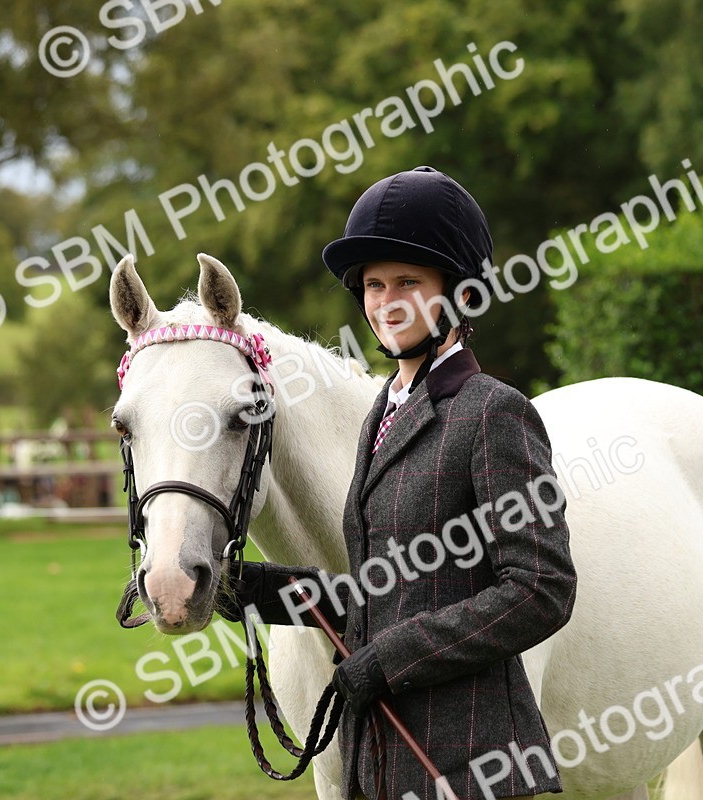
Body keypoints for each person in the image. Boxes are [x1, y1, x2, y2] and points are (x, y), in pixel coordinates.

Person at [218, 166, 577, 800]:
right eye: (375, 285)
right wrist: (257, 590)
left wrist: (394, 659)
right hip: (376, 761)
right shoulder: (384, 411)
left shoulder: (493, 412)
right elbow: (386, 592)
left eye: (408, 282)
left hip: (468, 765)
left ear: (460, 293)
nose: (386, 301)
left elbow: (542, 589)